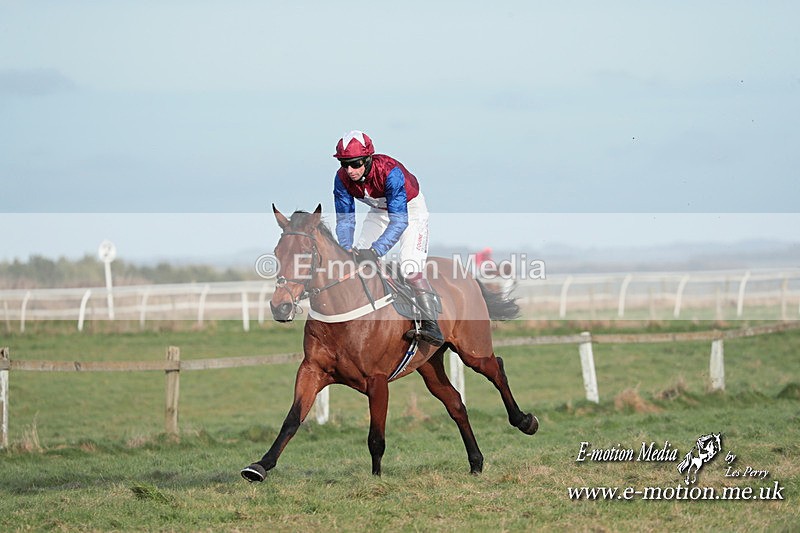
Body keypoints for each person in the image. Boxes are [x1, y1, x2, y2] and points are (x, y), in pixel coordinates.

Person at [332, 130, 443, 346]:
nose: (350, 170)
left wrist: (376, 251)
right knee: (355, 262)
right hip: (380, 210)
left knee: (409, 267)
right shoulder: (342, 179)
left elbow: (400, 221)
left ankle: (432, 325)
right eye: (344, 164)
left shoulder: (390, 172)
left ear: (367, 159)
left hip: (409, 210)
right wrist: (346, 248)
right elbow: (345, 221)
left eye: (355, 163)